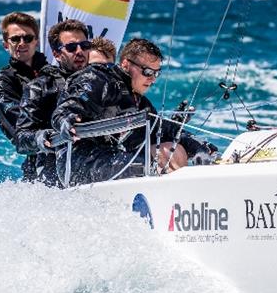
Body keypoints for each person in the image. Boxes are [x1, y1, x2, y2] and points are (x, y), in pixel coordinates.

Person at [51, 38, 217, 186]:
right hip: (77, 164)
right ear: (125, 64)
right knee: (144, 165)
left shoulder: (138, 101)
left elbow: (163, 130)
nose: (152, 79)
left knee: (172, 150)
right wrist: (66, 119)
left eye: (156, 73)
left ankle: (180, 207)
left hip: (113, 158)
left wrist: (200, 148)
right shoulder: (99, 80)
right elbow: (66, 109)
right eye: (147, 72)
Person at [13, 19, 91, 186]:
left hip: (91, 162)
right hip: (51, 173)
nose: (79, 51)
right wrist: (40, 137)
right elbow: (20, 139)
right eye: (71, 47)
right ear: (56, 54)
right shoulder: (38, 88)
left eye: (84, 46)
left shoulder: (100, 84)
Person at [0, 12, 47, 179]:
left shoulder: (54, 73)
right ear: (6, 45)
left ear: (36, 41)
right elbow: (21, 128)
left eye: (28, 38)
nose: (22, 43)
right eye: (15, 39)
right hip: (38, 163)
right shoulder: (2, 82)